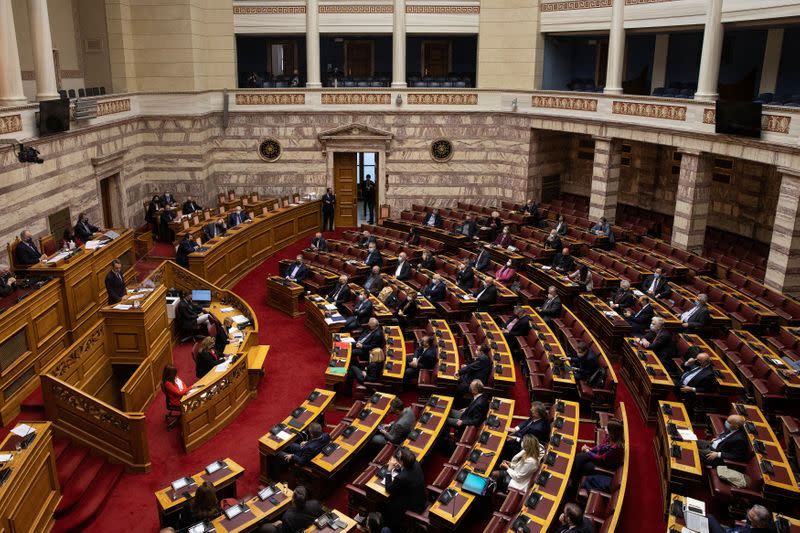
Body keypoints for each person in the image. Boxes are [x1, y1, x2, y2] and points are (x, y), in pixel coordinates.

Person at [569, 419, 624, 487]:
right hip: (599, 458)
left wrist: (588, 451)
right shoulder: (609, 437)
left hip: (605, 465)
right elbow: (600, 447)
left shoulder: (615, 447)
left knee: (583, 464)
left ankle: (573, 482)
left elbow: (601, 458)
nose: (605, 428)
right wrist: (590, 449)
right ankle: (573, 481)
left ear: (612, 432)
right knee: (579, 458)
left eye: (607, 428)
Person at [383, 447, 426, 531]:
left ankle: (392, 526)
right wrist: (399, 467)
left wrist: (389, 470)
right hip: (421, 498)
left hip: (410, 506)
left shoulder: (401, 478)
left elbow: (388, 488)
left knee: (387, 503)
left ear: (402, 462)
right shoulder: (415, 463)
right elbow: (406, 471)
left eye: (398, 458)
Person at [257, 486, 323, 533]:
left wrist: (280, 524)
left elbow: (284, 531)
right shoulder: (315, 504)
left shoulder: (288, 515)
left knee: (264, 528)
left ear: (293, 500)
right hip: (309, 526)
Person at [707, 505, 774, 533]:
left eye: (749, 517)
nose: (747, 517)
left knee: (709, 517)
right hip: (731, 530)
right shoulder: (767, 523)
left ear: (759, 525)